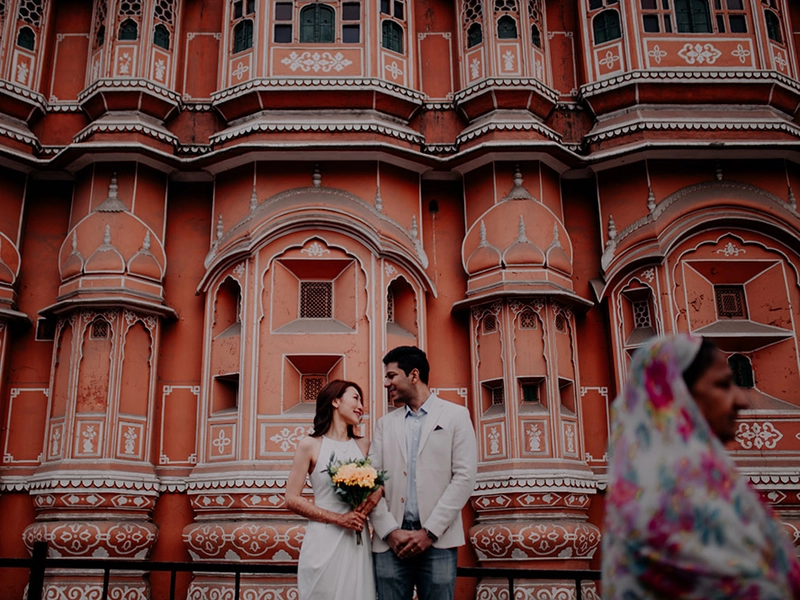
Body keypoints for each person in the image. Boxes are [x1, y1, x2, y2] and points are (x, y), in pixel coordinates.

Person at [602, 335, 800, 599]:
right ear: (676, 397)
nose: (742, 400)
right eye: (723, 384)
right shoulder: (674, 495)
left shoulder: (704, 480)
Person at [369, 345, 478, 600]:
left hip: (438, 541)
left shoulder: (456, 416)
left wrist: (429, 532)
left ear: (414, 375)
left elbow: (464, 477)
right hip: (389, 543)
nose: (387, 383)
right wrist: (389, 531)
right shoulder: (384, 425)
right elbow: (370, 481)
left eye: (392, 375)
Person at [285, 380, 382, 600]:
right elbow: (291, 499)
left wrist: (373, 499)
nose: (361, 407)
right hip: (323, 539)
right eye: (356, 398)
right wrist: (339, 519)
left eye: (362, 402)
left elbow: (381, 485)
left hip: (357, 540)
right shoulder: (309, 445)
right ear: (336, 401)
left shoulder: (364, 446)